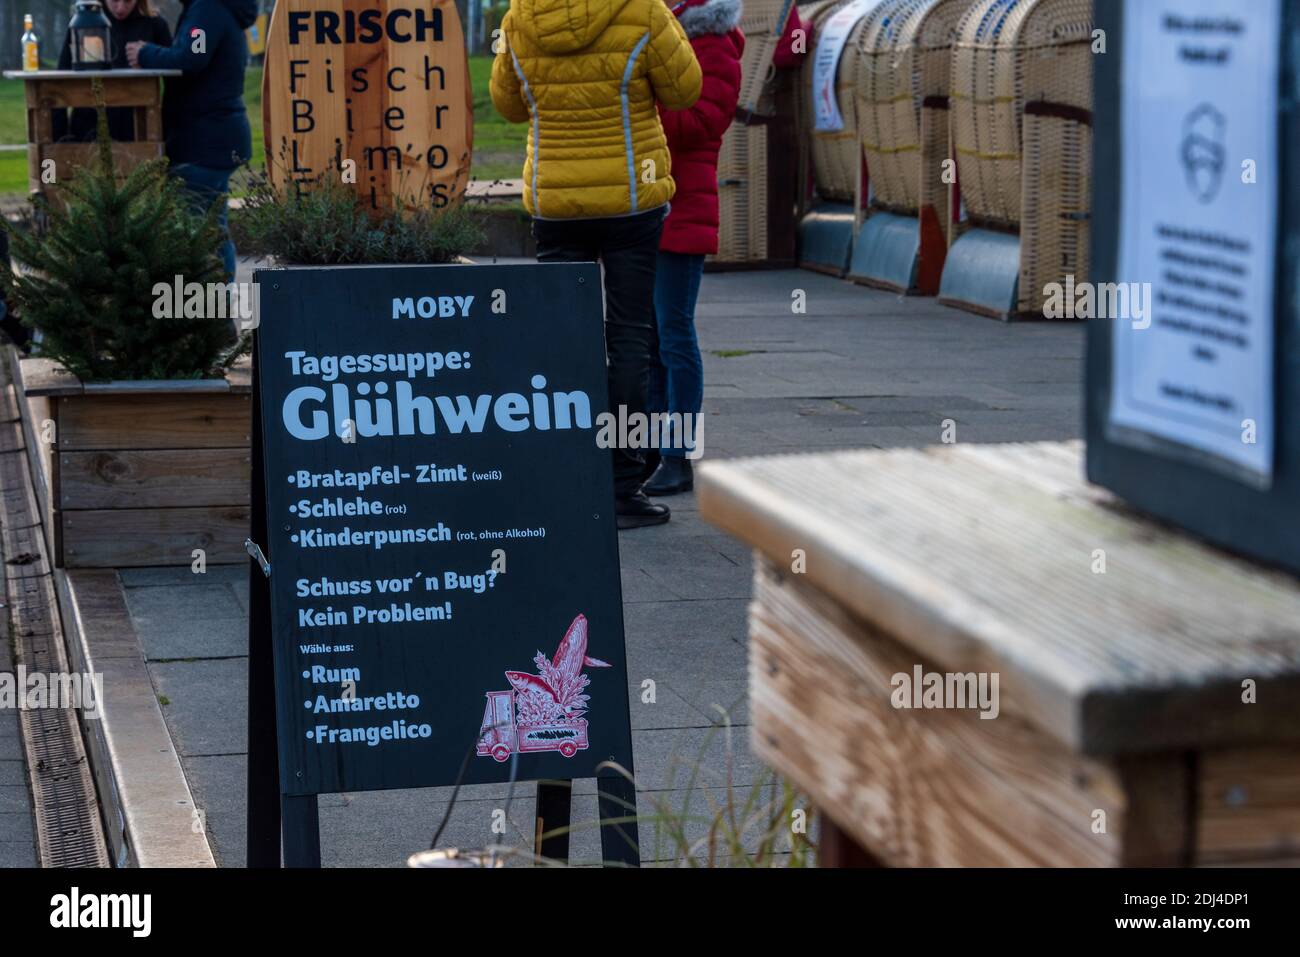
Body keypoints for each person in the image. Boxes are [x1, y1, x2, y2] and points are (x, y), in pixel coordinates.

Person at [491, 0, 703, 530]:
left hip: (557, 204)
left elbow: (509, 106)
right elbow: (685, 90)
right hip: (632, 199)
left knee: (566, 341)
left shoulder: (521, 18)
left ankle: (569, 472)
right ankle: (622, 484)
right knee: (630, 337)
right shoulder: (643, 11)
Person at [643, 0, 744, 496]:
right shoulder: (668, 37)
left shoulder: (715, 46)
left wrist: (647, 100)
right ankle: (649, 448)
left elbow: (700, 122)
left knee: (674, 335)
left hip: (684, 212)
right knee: (650, 341)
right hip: (652, 207)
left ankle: (678, 454)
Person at [126, 0, 257, 279]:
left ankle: (207, 310)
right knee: (213, 229)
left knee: (194, 231)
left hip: (204, 140)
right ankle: (218, 307)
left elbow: (192, 57)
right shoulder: (213, 8)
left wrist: (146, 53)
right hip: (216, 136)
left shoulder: (207, 9)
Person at [52, 0, 172, 143]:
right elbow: (60, 81)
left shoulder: (155, 25)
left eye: (128, 1)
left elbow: (173, 80)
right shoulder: (82, 23)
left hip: (138, 128)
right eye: (114, 0)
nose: (120, 8)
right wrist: (59, 137)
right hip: (88, 126)